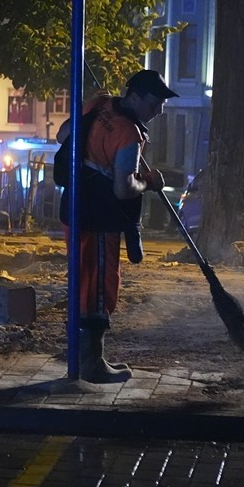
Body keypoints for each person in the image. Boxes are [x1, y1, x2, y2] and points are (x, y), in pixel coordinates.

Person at [58, 69, 177, 383]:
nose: (158, 111)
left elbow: (62, 134)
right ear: (134, 97)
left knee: (83, 282)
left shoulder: (99, 105)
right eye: (154, 104)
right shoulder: (128, 134)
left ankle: (79, 357)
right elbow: (124, 189)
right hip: (99, 218)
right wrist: (150, 182)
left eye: (162, 106)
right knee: (99, 288)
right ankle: (91, 363)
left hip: (74, 209)